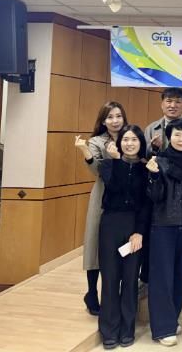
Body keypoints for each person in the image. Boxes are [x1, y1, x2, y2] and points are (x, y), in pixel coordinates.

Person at [92, 125, 151, 349]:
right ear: (119, 143)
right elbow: (115, 188)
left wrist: (139, 232)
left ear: (140, 143)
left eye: (134, 139)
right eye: (125, 139)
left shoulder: (146, 169)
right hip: (111, 223)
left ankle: (127, 329)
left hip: (134, 225)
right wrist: (117, 161)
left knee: (129, 279)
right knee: (109, 279)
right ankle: (109, 330)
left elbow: (146, 204)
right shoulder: (108, 165)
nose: (129, 143)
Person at [146, 118, 182, 347]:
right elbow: (154, 197)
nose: (181, 139)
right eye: (177, 134)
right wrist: (154, 176)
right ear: (169, 137)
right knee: (162, 276)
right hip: (162, 225)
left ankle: (172, 318)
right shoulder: (159, 161)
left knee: (179, 275)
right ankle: (162, 328)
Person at [74, 101, 128, 316]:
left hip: (127, 197)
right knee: (95, 245)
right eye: (110, 117)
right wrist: (86, 152)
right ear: (103, 121)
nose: (115, 121)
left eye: (118, 116)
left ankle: (117, 294)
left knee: (122, 247)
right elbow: (97, 171)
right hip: (103, 197)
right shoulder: (96, 141)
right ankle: (91, 292)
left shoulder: (130, 137)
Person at [144, 87, 182, 157]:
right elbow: (145, 156)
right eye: (169, 101)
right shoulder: (151, 129)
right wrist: (154, 148)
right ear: (162, 105)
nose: (173, 105)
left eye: (178, 102)